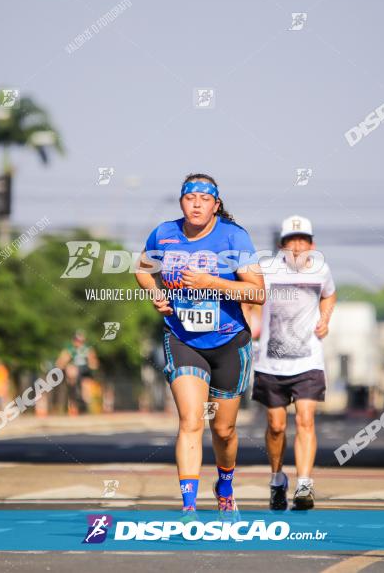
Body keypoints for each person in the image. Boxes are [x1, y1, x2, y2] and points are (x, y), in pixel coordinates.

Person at [134, 173, 264, 519]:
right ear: (181, 202)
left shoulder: (235, 237)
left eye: (204, 199)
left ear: (216, 205)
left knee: (223, 430)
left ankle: (224, 486)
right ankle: (189, 508)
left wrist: (212, 281)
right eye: (190, 197)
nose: (196, 204)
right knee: (191, 420)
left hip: (228, 342)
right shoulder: (164, 233)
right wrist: (156, 294)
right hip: (182, 338)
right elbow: (143, 270)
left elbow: (257, 292)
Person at [243, 215, 335, 511]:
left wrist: (325, 320)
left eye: (303, 241)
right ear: (281, 246)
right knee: (276, 426)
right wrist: (250, 320)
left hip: (308, 360)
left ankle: (305, 484)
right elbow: (246, 295)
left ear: (312, 244)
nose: (297, 247)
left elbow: (329, 296)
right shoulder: (266, 270)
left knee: (306, 419)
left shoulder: (321, 269)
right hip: (270, 363)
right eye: (291, 242)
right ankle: (277, 479)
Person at [56, 330, 100, 415]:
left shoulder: (88, 349)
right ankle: (73, 403)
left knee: (86, 388)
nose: (79, 343)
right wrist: (65, 365)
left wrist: (92, 363)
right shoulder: (69, 349)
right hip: (73, 372)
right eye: (77, 340)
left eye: (81, 341)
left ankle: (85, 406)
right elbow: (59, 363)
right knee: (72, 371)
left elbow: (94, 363)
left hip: (84, 371)